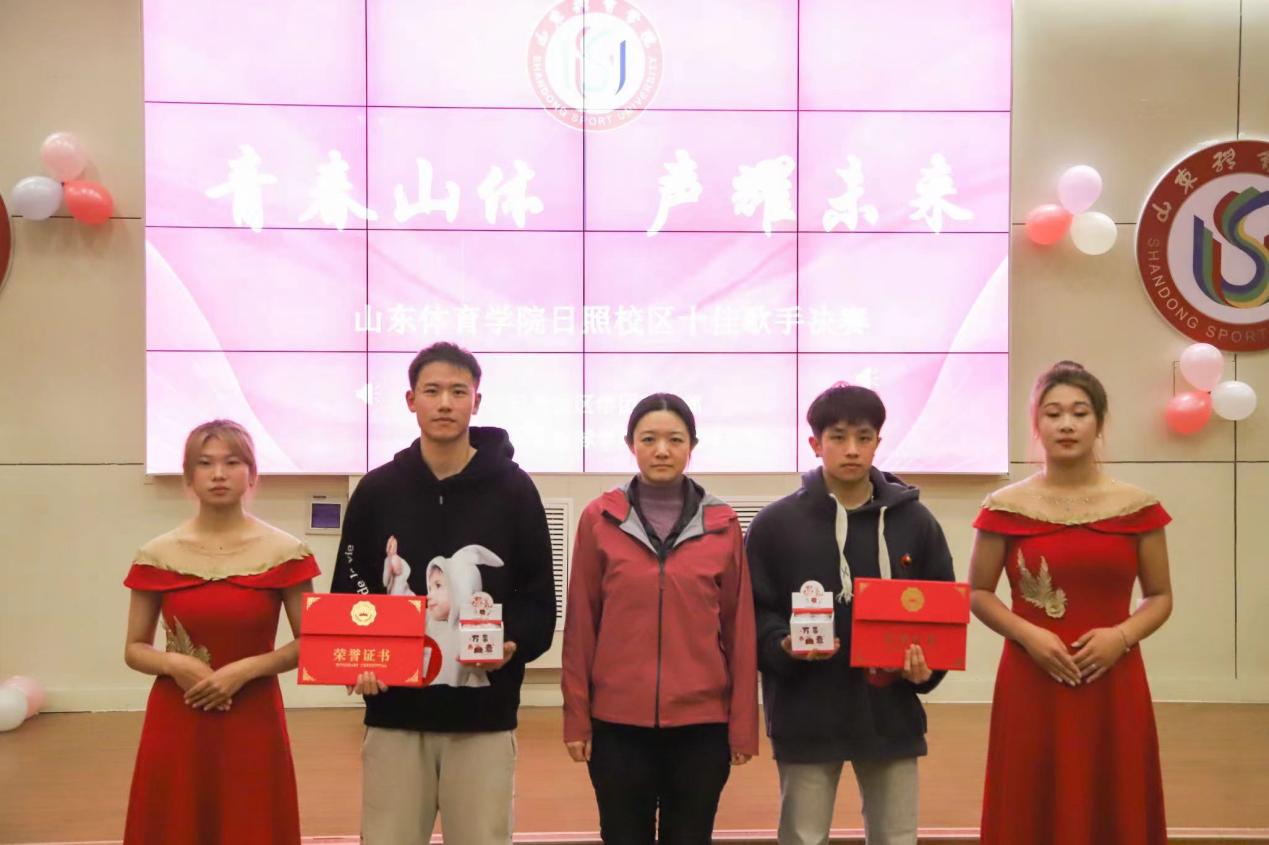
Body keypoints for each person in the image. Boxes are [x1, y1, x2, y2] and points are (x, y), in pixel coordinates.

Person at [329, 341, 556, 845]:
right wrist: (357, 658)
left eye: (458, 391)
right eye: (432, 391)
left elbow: (539, 600)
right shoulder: (377, 490)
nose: (445, 403)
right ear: (411, 400)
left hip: (483, 718)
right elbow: (349, 589)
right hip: (394, 715)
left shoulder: (515, 491)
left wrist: (512, 642)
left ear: (477, 401)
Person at [969, 361, 1173, 844]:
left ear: (1099, 423)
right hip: (1031, 675)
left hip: (1113, 676)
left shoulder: (1138, 506)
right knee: (1030, 798)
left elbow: (1160, 596)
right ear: (1036, 425)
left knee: (1113, 794)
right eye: (1053, 413)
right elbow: (978, 592)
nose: (1066, 424)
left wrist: (1122, 636)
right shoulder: (1004, 506)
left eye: (1079, 413)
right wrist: (1028, 634)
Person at [745, 383, 955, 845]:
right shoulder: (774, 525)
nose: (852, 450)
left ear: (879, 442)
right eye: (838, 437)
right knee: (802, 836)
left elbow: (942, 610)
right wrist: (782, 645)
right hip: (805, 711)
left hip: (890, 714)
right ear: (815, 443)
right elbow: (753, 612)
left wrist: (928, 670)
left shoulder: (916, 522)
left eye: (864, 437)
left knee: (896, 837)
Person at [561, 393, 758, 845]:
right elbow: (581, 628)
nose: (662, 450)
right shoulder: (599, 519)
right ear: (631, 445)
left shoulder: (723, 524)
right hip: (617, 726)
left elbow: (740, 631)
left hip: (701, 727)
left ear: (693, 446)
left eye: (675, 439)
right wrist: (577, 718)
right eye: (649, 439)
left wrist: (743, 725)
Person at [122, 420, 318, 844]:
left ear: (252, 473)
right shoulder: (157, 554)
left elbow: (312, 641)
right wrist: (174, 664)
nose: (218, 474)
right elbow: (135, 648)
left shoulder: (286, 552)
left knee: (250, 821)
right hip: (178, 713)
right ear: (188, 476)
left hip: (253, 714)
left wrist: (245, 670)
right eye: (205, 463)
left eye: (232, 462)